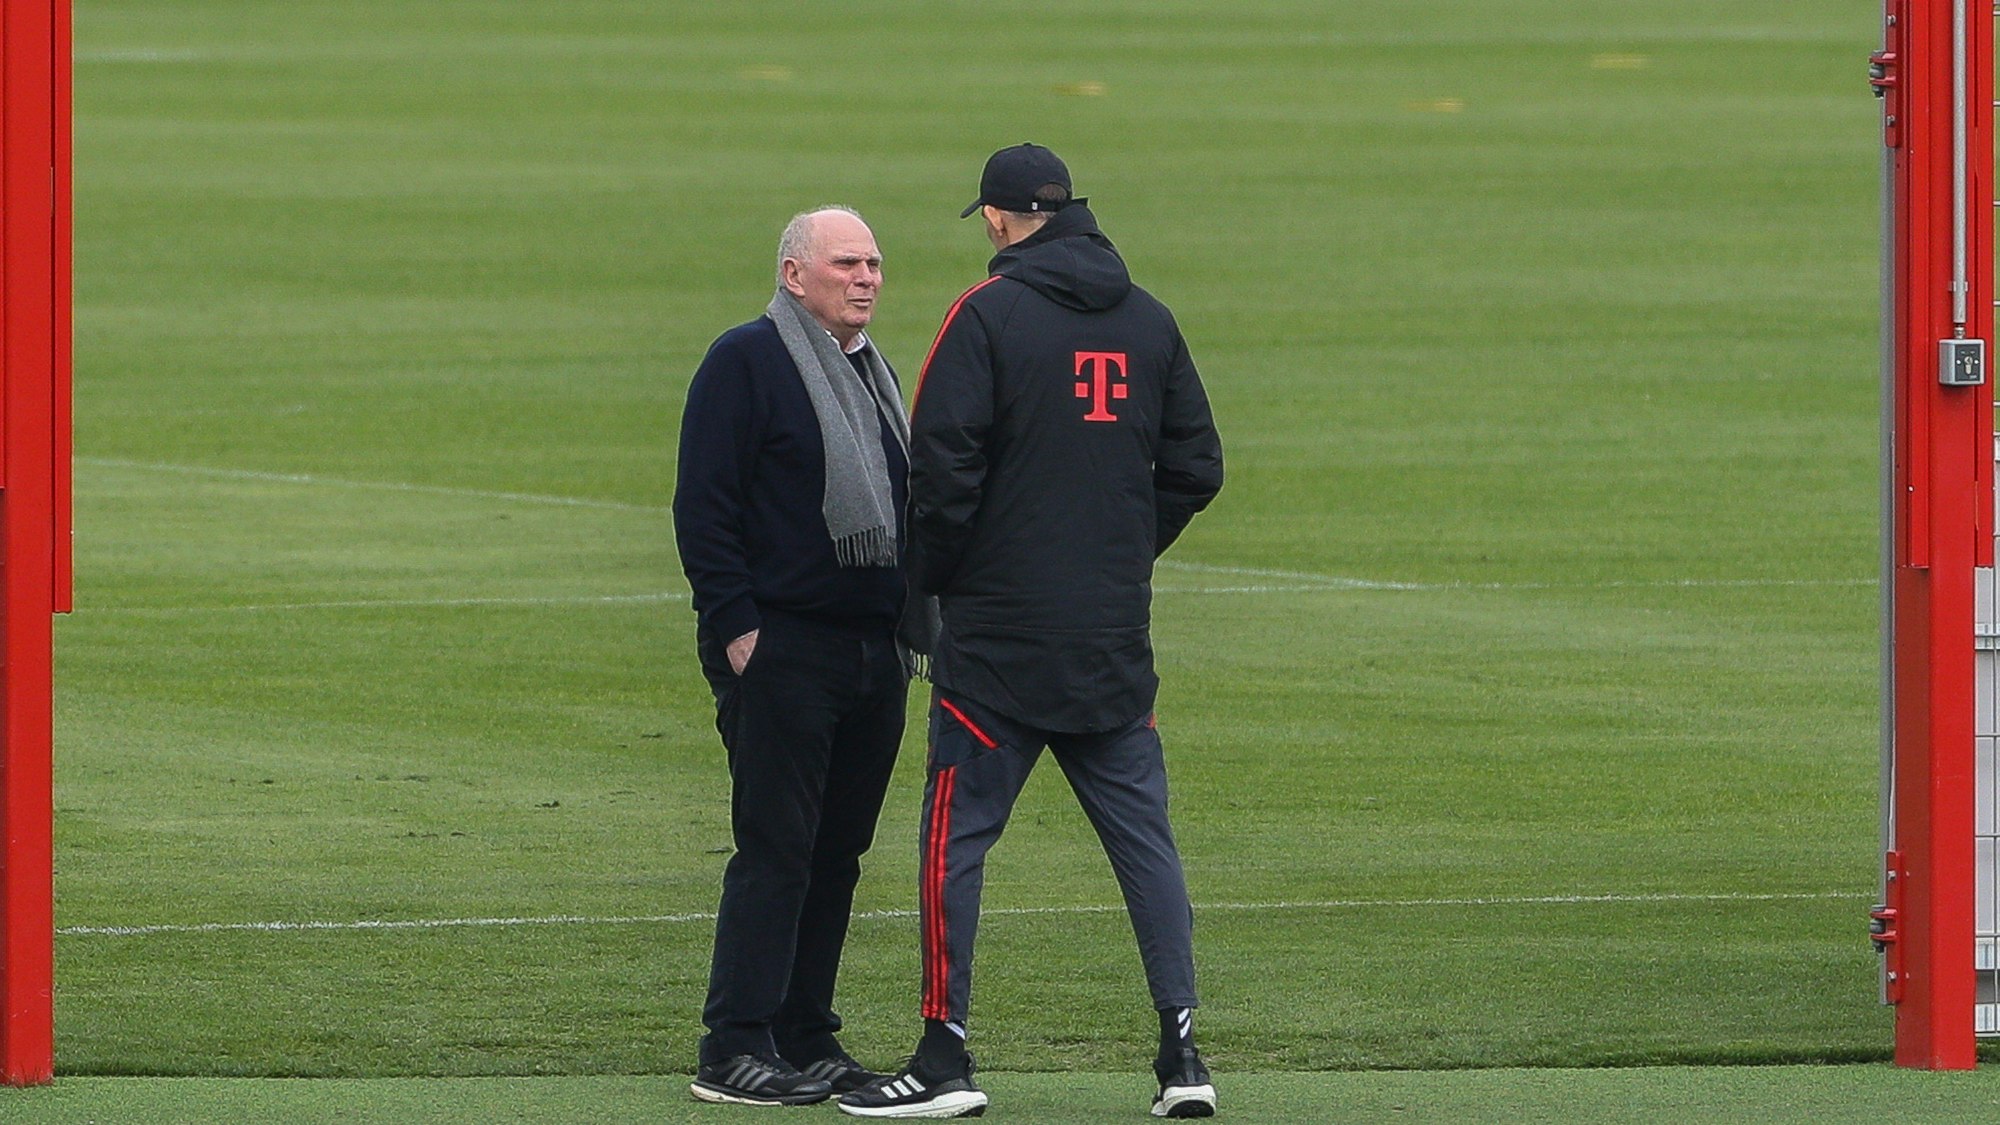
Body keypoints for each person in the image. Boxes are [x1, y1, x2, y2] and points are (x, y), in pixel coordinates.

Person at [839, 146, 1224, 1120]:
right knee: (1146, 846)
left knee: (952, 844)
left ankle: (943, 1056)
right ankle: (1182, 1055)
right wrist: (1120, 551)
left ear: (1000, 219)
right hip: (1109, 639)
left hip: (996, 645)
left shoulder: (985, 316)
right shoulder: (1150, 320)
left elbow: (941, 471)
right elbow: (1197, 467)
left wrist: (933, 584)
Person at [673, 206, 914, 1107]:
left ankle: (805, 1032)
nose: (867, 278)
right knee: (777, 848)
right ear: (793, 274)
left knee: (839, 850)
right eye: (847, 263)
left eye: (874, 263)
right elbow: (705, 501)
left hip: (873, 649)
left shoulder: (873, 373)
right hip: (783, 644)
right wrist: (737, 625)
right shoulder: (745, 360)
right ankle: (734, 1043)